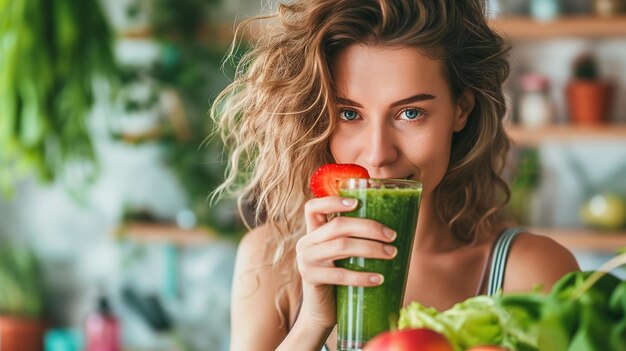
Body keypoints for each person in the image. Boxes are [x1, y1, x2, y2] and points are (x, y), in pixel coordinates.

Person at [210, 1, 580, 350]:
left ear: (461, 110)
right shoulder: (270, 262)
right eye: (349, 115)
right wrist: (311, 323)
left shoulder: (532, 272)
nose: (378, 154)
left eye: (410, 113)